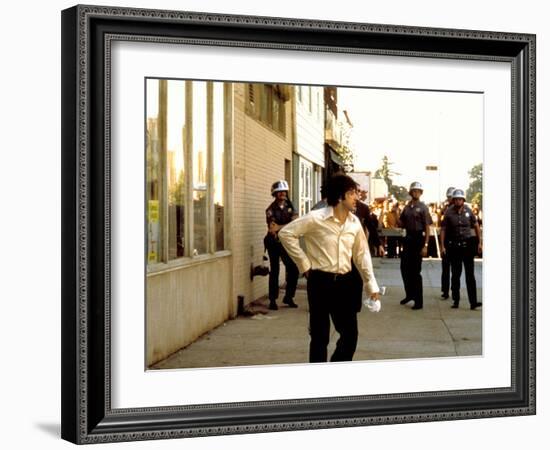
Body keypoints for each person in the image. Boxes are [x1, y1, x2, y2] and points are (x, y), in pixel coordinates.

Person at [278, 174, 381, 363]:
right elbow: (286, 234)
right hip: (320, 283)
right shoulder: (316, 218)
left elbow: (361, 255)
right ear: (341, 196)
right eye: (352, 193)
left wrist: (371, 285)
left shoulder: (354, 222)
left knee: (350, 336)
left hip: (345, 283)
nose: (356, 197)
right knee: (319, 337)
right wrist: (304, 264)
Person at [440, 189, 483, 310]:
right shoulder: (448, 213)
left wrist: (479, 243)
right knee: (456, 274)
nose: (458, 201)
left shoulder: (469, 211)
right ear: (453, 200)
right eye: (456, 199)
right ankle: (456, 300)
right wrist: (442, 246)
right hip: (454, 247)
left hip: (467, 246)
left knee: (470, 275)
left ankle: (473, 302)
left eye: (460, 199)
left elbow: (476, 226)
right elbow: (443, 229)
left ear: (463, 200)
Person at [264, 180, 299, 310]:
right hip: (273, 242)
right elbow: (273, 228)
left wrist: (282, 226)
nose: (283, 194)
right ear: (275, 194)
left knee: (293, 269)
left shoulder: (291, 206)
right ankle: (272, 300)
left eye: (284, 192)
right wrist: (286, 226)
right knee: (275, 270)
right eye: (280, 192)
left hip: (286, 242)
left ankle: (289, 297)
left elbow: (296, 222)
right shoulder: (270, 210)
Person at [398, 181, 432, 310]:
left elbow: (427, 227)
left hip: (418, 239)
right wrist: (395, 213)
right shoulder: (407, 207)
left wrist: (426, 245)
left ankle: (419, 301)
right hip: (408, 239)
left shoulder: (423, 207)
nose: (416, 193)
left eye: (418, 191)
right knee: (404, 268)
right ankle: (409, 295)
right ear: (410, 192)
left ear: (421, 193)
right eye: (414, 191)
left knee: (416, 272)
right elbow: (401, 223)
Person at [439, 186, 455, 299]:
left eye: (452, 197)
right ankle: (445, 290)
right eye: (449, 197)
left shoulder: (462, 209)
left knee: (455, 269)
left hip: (456, 242)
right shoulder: (445, 209)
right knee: (445, 268)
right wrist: (442, 245)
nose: (450, 199)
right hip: (447, 240)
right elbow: (441, 227)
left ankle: (454, 289)